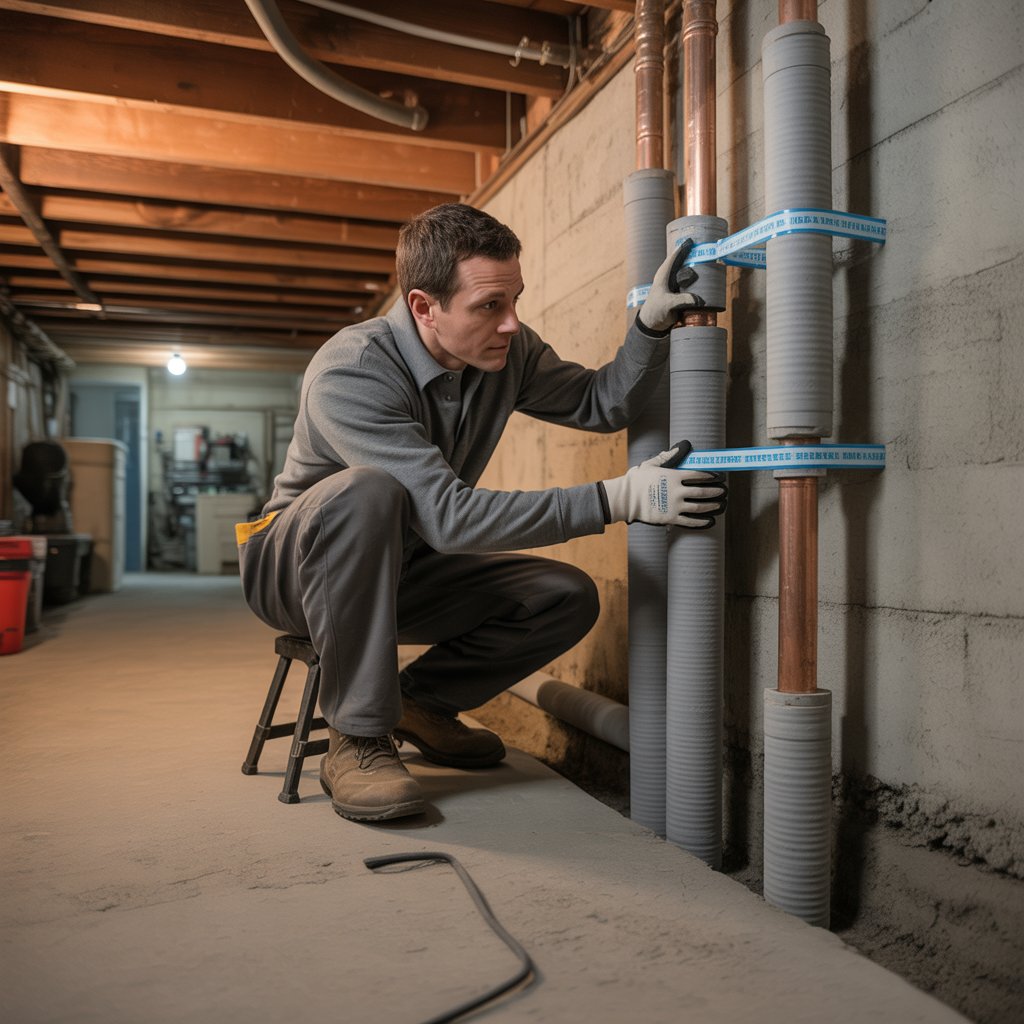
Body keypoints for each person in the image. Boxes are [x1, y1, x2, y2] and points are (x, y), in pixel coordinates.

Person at [237, 203, 726, 823]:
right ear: (423, 307)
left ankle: (422, 701)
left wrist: (650, 328)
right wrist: (616, 500)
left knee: (562, 594)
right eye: (489, 306)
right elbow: (451, 519)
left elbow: (600, 402)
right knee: (367, 490)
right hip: (297, 570)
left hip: (403, 564)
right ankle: (358, 737)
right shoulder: (353, 371)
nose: (511, 324)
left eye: (515, 300)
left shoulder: (505, 354)